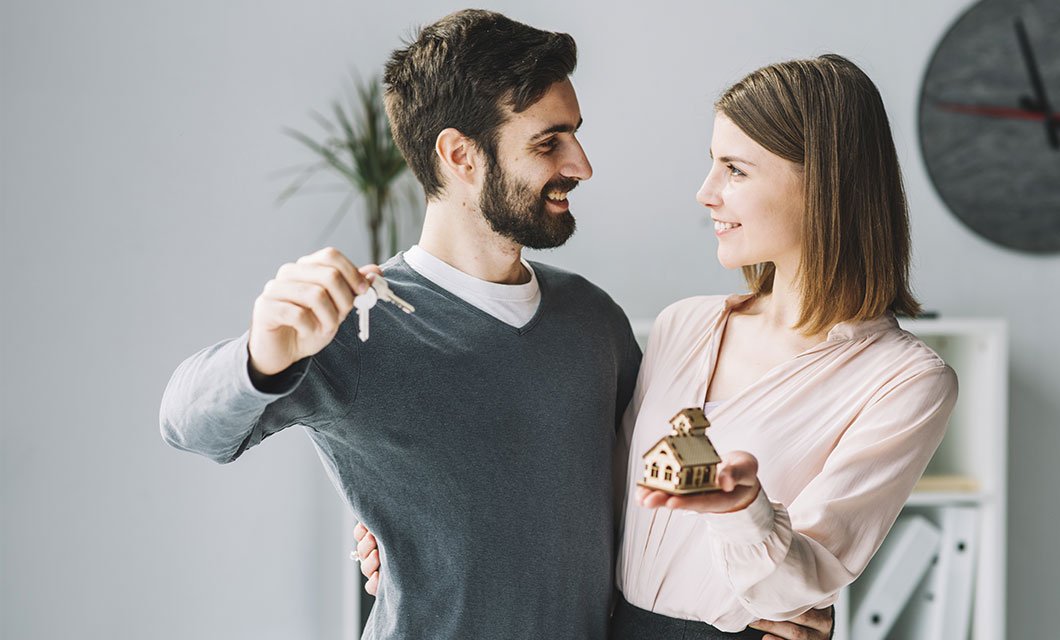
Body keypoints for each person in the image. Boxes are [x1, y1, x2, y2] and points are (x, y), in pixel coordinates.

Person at [161, 10, 639, 639]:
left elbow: (653, 511)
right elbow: (186, 425)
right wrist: (262, 351)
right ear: (460, 155)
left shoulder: (594, 319)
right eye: (549, 142)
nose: (582, 165)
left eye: (574, 135)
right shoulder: (359, 325)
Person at [609, 55, 959, 638]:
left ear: (823, 182)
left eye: (735, 170)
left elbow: (804, 583)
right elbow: (614, 511)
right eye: (711, 165)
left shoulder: (907, 382)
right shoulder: (683, 326)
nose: (705, 192)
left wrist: (743, 511)